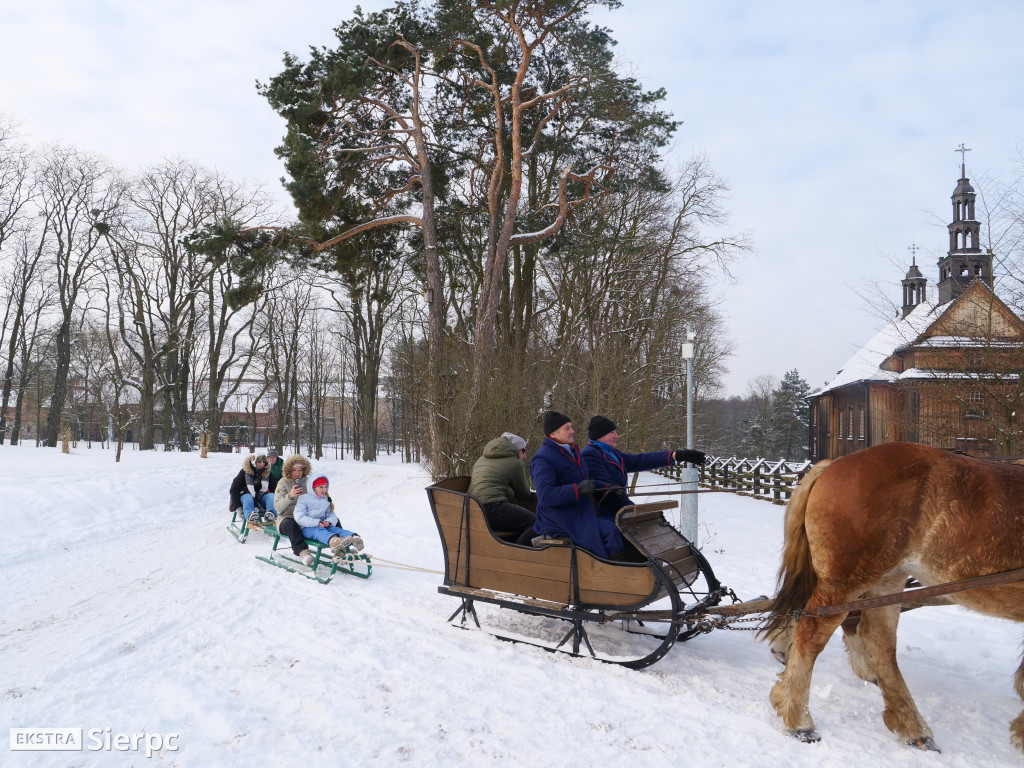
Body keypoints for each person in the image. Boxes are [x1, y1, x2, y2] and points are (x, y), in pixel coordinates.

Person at [529, 411, 625, 559]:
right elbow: (546, 496)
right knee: (610, 531)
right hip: (560, 519)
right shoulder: (542, 458)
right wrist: (577, 489)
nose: (572, 431)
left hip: (582, 512)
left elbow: (587, 480)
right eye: (567, 428)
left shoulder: (572, 451)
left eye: (571, 427)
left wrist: (608, 488)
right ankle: (610, 574)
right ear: (553, 434)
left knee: (621, 525)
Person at [581, 415, 707, 519]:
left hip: (620, 512)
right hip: (606, 516)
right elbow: (609, 493)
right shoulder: (590, 455)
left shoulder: (612, 452)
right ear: (600, 435)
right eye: (612, 432)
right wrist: (635, 512)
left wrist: (675, 455)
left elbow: (640, 460)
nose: (616, 436)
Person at [468, 432, 536, 546]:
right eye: (523, 451)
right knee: (536, 523)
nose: (524, 456)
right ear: (515, 449)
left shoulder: (481, 459)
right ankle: (518, 556)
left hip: (473, 508)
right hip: (493, 508)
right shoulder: (514, 463)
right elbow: (523, 494)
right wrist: (509, 491)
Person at [293, 475, 365, 564]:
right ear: (313, 488)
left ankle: (354, 538)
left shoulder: (325, 500)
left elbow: (332, 515)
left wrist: (329, 522)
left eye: (325, 487)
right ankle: (333, 541)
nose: (324, 489)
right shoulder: (304, 499)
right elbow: (299, 517)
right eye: (320, 487)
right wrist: (316, 523)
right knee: (319, 532)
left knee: (336, 529)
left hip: (323, 526)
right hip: (308, 528)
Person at [272, 454, 315, 566]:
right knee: (291, 524)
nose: (297, 473)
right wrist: (290, 496)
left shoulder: (308, 481)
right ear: (289, 470)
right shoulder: (283, 482)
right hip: (286, 518)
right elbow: (278, 508)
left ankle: (341, 545)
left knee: (330, 518)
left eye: (300, 470)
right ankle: (303, 552)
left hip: (304, 518)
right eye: (294, 470)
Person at [229, 453, 277, 528]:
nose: (262, 464)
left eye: (264, 462)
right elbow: (234, 490)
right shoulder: (244, 472)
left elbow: (275, 488)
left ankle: (271, 514)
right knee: (248, 497)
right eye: (259, 461)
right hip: (245, 497)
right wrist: (237, 506)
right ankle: (251, 517)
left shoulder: (267, 473)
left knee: (271, 496)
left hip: (260, 497)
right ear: (254, 461)